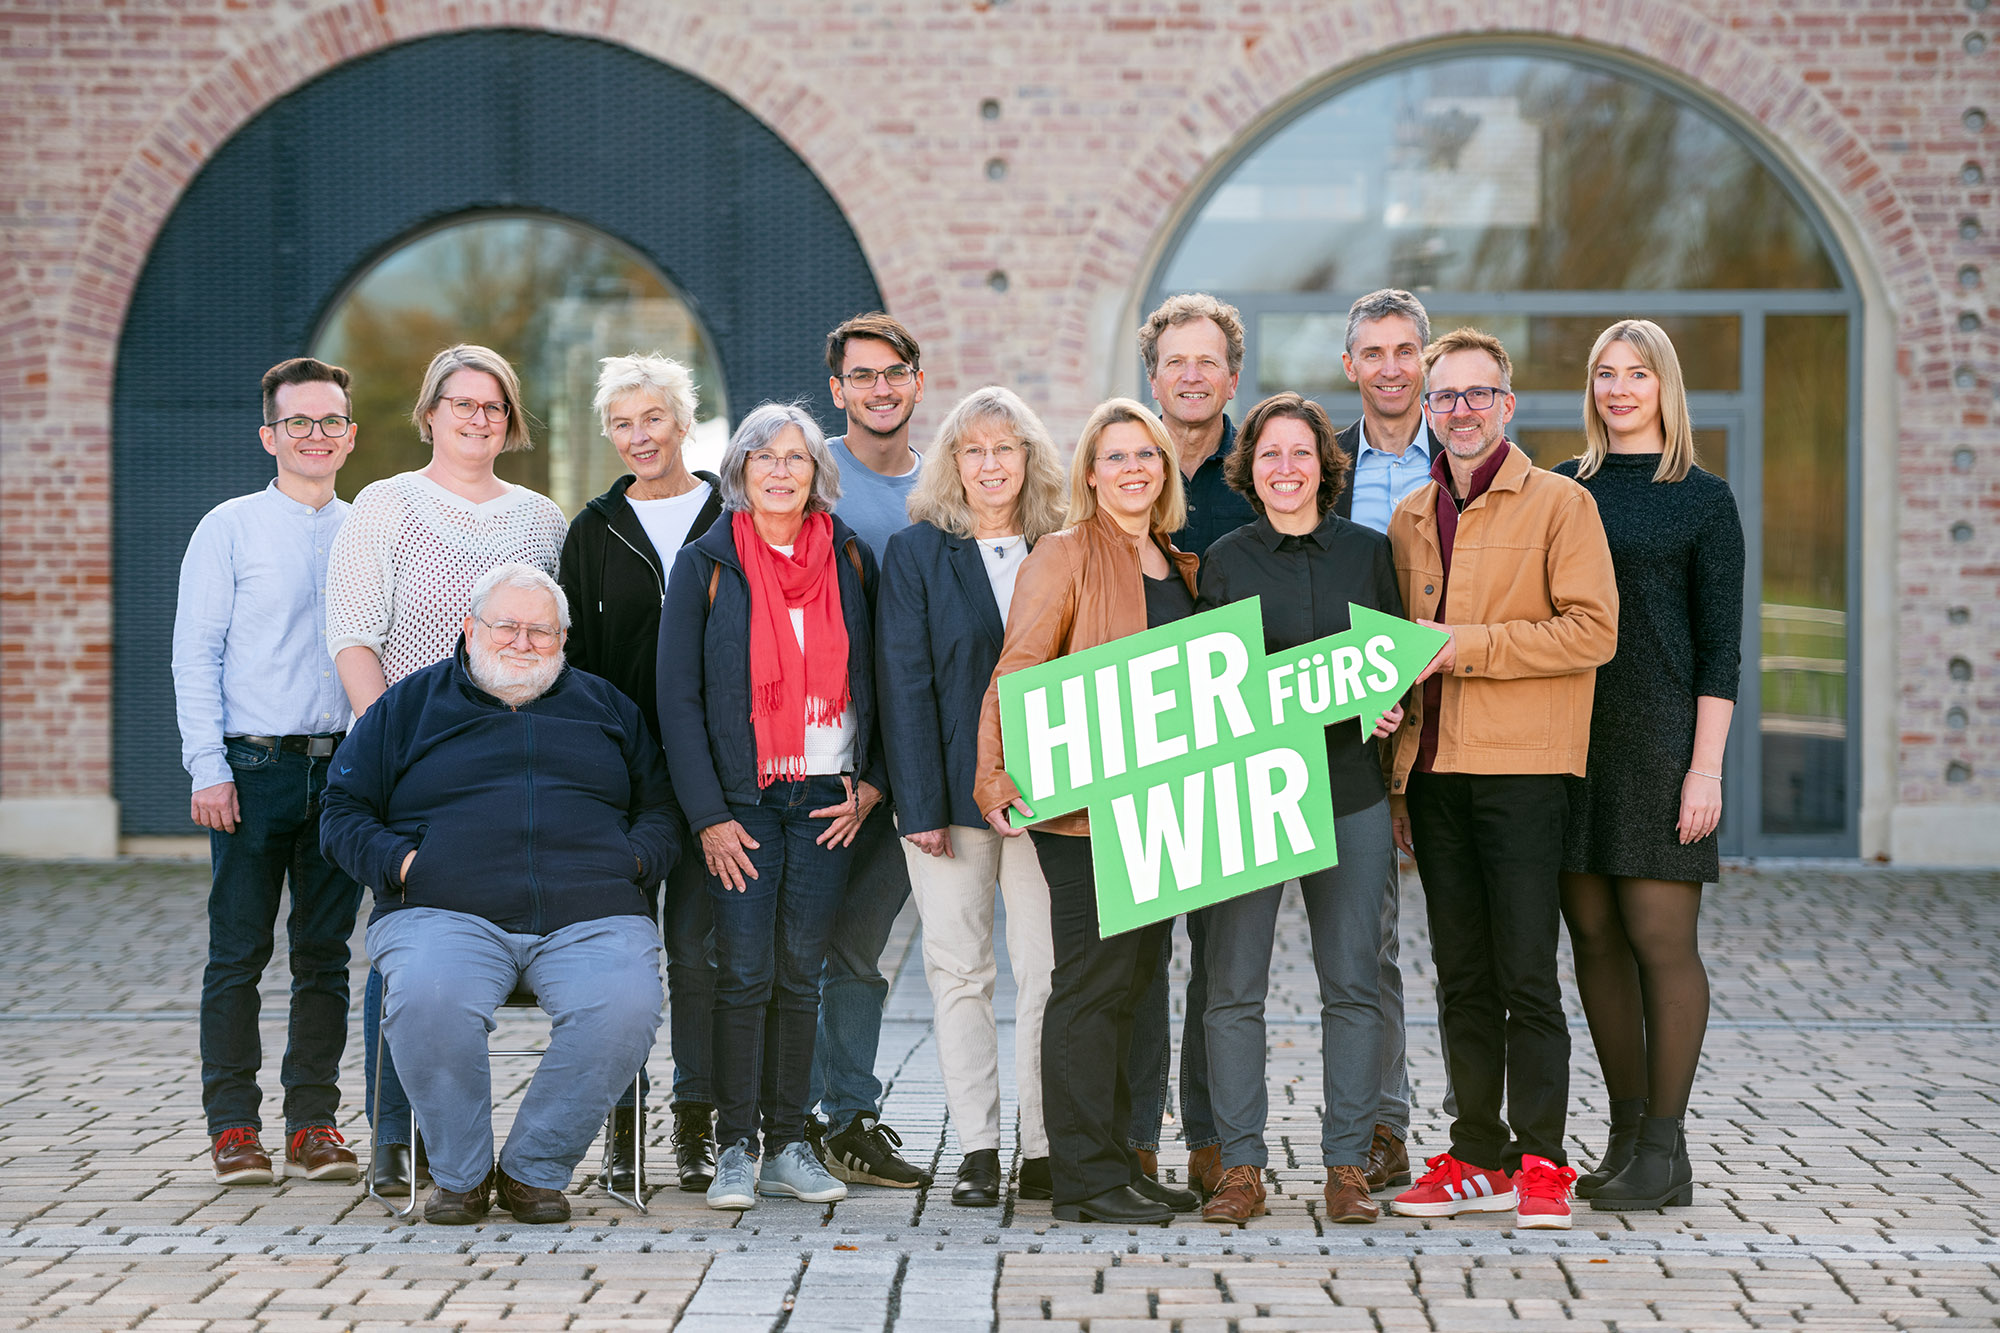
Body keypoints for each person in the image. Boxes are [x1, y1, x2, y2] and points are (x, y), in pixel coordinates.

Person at [321, 565, 678, 1226]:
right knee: (429, 994)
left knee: (627, 1002)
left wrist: (630, 861)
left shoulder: (605, 706)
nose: (521, 640)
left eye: (540, 629)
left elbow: (661, 810)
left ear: (563, 637)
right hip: (441, 909)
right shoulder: (410, 704)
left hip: (590, 912)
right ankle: (460, 1173)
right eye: (505, 625)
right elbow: (342, 810)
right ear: (469, 628)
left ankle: (531, 1169)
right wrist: (404, 864)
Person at [1384, 327, 1619, 1231]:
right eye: (1446, 397)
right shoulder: (1409, 514)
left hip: (1525, 773)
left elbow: (1592, 630)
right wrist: (1401, 772)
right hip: (1436, 778)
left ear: (1508, 405)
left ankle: (1544, 1161)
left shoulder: (1561, 504)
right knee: (1461, 975)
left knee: (1527, 973)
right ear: (1429, 412)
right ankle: (1476, 1153)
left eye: (1479, 394)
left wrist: (1464, 648)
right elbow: (1403, 654)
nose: (1462, 410)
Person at [325, 343, 567, 1196]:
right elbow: (354, 633)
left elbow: (551, 641)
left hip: (516, 766)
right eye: (461, 403)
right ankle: (396, 1138)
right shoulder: (386, 506)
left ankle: (483, 1143)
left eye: (493, 406)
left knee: (481, 942)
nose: (477, 418)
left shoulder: (541, 519)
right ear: (429, 413)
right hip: (413, 761)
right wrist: (386, 743)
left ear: (510, 421)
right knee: (403, 941)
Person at [974, 398, 1203, 1226]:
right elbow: (1019, 664)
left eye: (1146, 454)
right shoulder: (1065, 553)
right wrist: (994, 774)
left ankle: (1116, 1164)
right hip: (1083, 811)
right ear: (1089, 472)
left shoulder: (1179, 563)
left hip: (1161, 808)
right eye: (1115, 456)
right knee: (1089, 986)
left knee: (1134, 984)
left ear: (1165, 469)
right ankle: (1082, 1178)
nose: (1133, 467)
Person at [657, 403, 883, 1212]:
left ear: (817, 472)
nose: (781, 470)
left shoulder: (850, 557)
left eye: (796, 457)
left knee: (802, 974)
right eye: (764, 457)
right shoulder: (707, 563)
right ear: (740, 471)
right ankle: (734, 1148)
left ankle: (790, 1143)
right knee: (743, 973)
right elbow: (677, 700)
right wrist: (708, 815)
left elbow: (884, 677)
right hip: (744, 805)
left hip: (828, 801)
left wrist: (874, 782)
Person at [1190, 393, 1406, 1225]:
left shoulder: (1369, 554)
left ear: (1325, 463)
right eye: (1270, 453)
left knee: (1353, 981)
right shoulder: (1226, 561)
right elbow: (1210, 695)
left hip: (1349, 791)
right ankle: (1240, 1166)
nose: (1286, 467)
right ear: (1250, 469)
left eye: (1301, 452)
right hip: (1250, 797)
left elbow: (1386, 662)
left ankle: (1348, 1163)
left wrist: (1387, 703)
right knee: (1232, 984)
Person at [1553, 320, 1743, 1211]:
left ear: (1665, 386)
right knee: (1591, 935)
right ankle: (1630, 1137)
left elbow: (1721, 653)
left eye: (1637, 373)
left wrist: (1704, 770)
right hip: (1572, 740)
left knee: (1659, 940)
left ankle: (1667, 1146)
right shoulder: (1563, 489)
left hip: (1664, 743)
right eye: (1604, 373)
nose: (1619, 388)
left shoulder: (1705, 501)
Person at [173, 356, 364, 1186]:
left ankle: (312, 1123)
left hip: (343, 774)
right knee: (238, 955)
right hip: (251, 773)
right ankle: (233, 1127)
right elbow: (195, 654)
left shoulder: (369, 527)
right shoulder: (229, 527)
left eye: (329, 422)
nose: (315, 436)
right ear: (269, 436)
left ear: (350, 436)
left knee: (324, 957)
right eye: (299, 423)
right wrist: (206, 766)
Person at [876, 386, 1067, 1206]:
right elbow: (903, 684)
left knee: (1046, 968)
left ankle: (1045, 1143)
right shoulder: (918, 554)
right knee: (959, 971)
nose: (991, 464)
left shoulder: (1065, 546)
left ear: (1031, 459)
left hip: (1048, 796)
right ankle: (979, 1148)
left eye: (1006, 447)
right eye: (974, 450)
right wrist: (916, 806)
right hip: (949, 798)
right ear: (954, 463)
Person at [558, 352, 725, 1195]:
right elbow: (575, 661)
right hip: (621, 780)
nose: (639, 436)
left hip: (718, 775)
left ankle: (694, 1127)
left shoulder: (730, 514)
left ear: (683, 420)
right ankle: (622, 1125)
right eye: (622, 424)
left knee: (697, 955)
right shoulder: (591, 528)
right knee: (620, 959)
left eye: (652, 418)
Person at [1125, 292, 1253, 1192]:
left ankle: (1211, 1144)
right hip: (1138, 748)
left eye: (1208, 361)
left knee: (1223, 961)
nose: (1193, 376)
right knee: (1137, 960)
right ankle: (1133, 1137)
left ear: (1231, 376)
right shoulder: (1123, 463)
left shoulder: (1267, 468)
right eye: (1177, 361)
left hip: (1241, 745)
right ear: (1154, 374)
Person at [805, 312, 932, 1189]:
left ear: (917, 381)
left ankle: (847, 1115)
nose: (879, 389)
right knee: (802, 945)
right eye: (862, 376)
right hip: (827, 762)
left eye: (894, 373)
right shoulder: (812, 480)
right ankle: (801, 1114)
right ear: (839, 389)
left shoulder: (946, 488)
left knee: (858, 945)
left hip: (915, 764)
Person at [1335, 288, 1446, 1194]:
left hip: (1443, 726)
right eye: (1373, 352)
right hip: (1333, 725)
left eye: (1405, 350)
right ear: (1351, 368)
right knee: (1359, 945)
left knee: (1403, 948)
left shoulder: (1467, 460)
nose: (1392, 368)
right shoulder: (1313, 463)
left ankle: (1406, 1128)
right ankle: (1376, 1126)